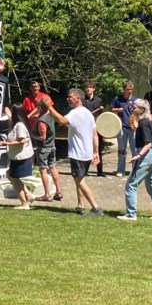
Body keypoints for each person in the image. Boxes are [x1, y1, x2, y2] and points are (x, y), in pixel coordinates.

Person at [46, 88, 105, 216]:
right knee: (79, 179)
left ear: (78, 98)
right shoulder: (88, 113)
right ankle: (80, 206)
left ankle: (96, 208)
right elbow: (95, 134)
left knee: (80, 181)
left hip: (78, 154)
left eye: (70, 96)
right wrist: (95, 152)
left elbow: (61, 120)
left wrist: (49, 107)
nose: (68, 98)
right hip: (87, 154)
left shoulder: (75, 113)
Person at [116, 100, 152, 221]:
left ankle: (131, 214)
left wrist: (138, 155)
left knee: (131, 184)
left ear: (141, 110)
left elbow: (149, 143)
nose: (132, 107)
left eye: (134, 106)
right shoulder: (148, 122)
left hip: (146, 155)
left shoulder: (144, 123)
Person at [0, 103, 36, 209]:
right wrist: (9, 115)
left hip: (21, 157)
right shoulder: (17, 123)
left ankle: (24, 203)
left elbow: (22, 140)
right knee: (11, 176)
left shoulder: (20, 126)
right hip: (16, 156)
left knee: (14, 178)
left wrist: (7, 144)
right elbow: (12, 121)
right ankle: (29, 195)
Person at [32, 97, 63, 201]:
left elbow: (43, 137)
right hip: (52, 146)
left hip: (43, 148)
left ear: (40, 107)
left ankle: (47, 194)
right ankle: (58, 192)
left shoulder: (42, 121)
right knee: (53, 167)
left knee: (43, 170)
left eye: (37, 106)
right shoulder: (50, 116)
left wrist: (32, 136)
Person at [79, 81, 107, 177]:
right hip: (86, 128)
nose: (88, 89)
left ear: (94, 89)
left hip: (96, 127)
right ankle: (85, 171)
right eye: (87, 87)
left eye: (90, 87)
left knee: (98, 149)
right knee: (86, 149)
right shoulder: (82, 101)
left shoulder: (99, 100)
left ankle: (100, 171)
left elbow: (101, 115)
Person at [111, 81, 137, 177]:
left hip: (133, 127)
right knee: (122, 150)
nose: (130, 91)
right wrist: (118, 110)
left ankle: (135, 170)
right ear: (124, 89)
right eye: (128, 89)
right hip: (122, 127)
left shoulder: (135, 100)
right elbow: (111, 108)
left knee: (134, 150)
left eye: (131, 89)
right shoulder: (118, 99)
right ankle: (120, 170)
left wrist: (137, 110)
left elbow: (140, 112)